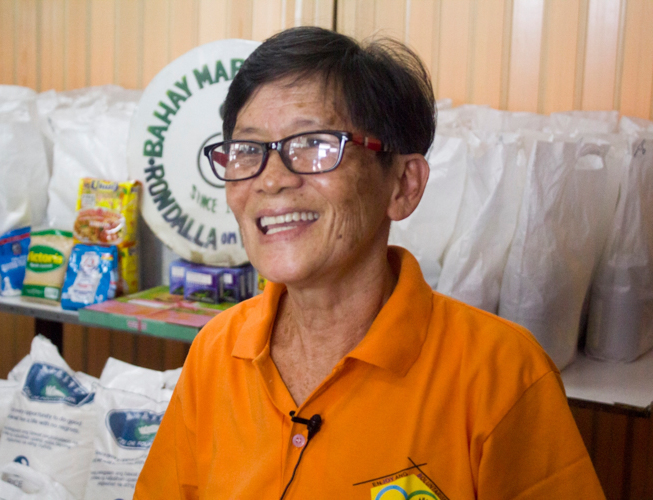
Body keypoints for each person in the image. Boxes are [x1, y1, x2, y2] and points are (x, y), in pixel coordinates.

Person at [134, 26, 605, 499]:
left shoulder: (502, 373)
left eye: (314, 144)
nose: (270, 180)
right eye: (247, 150)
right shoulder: (217, 350)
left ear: (403, 184)